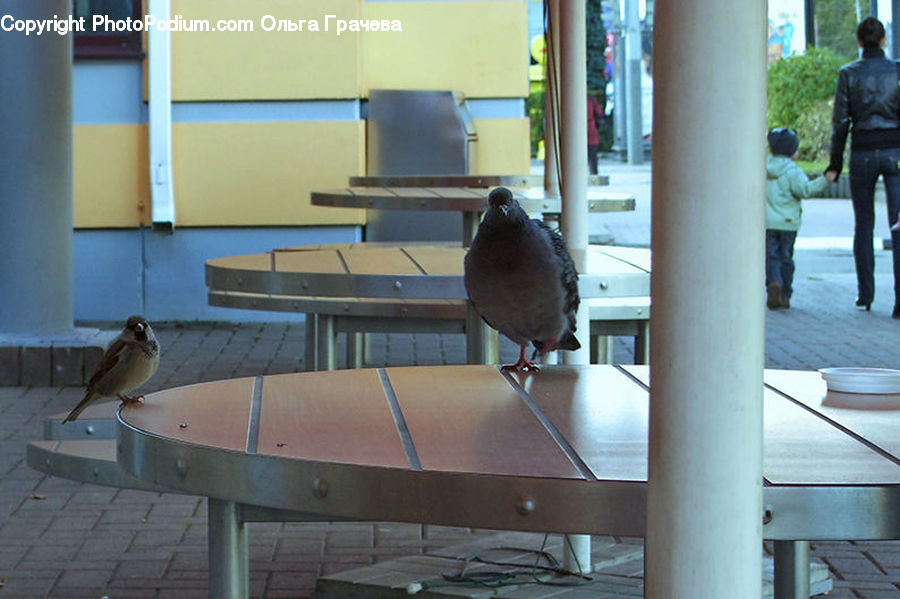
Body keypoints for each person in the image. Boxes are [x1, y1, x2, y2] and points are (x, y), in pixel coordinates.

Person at [826, 17, 900, 317]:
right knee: (898, 226)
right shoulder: (897, 70)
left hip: (862, 153)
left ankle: (865, 295)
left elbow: (841, 122)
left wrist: (834, 163)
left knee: (864, 224)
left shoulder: (849, 74)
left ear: (859, 41)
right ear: (883, 40)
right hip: (895, 152)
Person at [766, 127, 831, 309]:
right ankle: (785, 293)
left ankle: (773, 282)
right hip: (788, 224)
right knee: (786, 257)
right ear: (791, 151)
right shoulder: (793, 172)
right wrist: (825, 180)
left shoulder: (763, 168)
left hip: (767, 223)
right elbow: (806, 190)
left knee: (771, 256)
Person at [587, 94, 604, 175]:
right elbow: (599, 113)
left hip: (583, 129)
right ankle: (593, 172)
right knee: (592, 153)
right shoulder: (592, 101)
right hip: (591, 129)